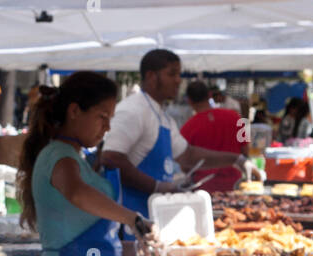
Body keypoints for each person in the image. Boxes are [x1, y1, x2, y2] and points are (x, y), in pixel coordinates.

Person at [18, 73, 156, 256]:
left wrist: (131, 249)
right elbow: (78, 193)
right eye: (102, 117)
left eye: (110, 120)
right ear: (74, 111)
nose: (106, 128)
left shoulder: (77, 158)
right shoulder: (59, 156)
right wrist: (133, 219)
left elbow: (84, 231)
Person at [101, 49, 259, 238]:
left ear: (191, 100)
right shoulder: (133, 110)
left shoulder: (167, 118)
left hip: (154, 218)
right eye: (172, 74)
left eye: (179, 74)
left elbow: (187, 155)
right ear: (151, 76)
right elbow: (110, 157)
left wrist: (238, 159)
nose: (178, 80)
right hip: (129, 221)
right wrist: (157, 186)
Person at [179, 80, 246, 193]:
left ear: (189, 101)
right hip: (235, 185)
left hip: (203, 189)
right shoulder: (235, 117)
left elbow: (185, 166)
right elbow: (246, 150)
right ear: (210, 95)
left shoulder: (187, 128)